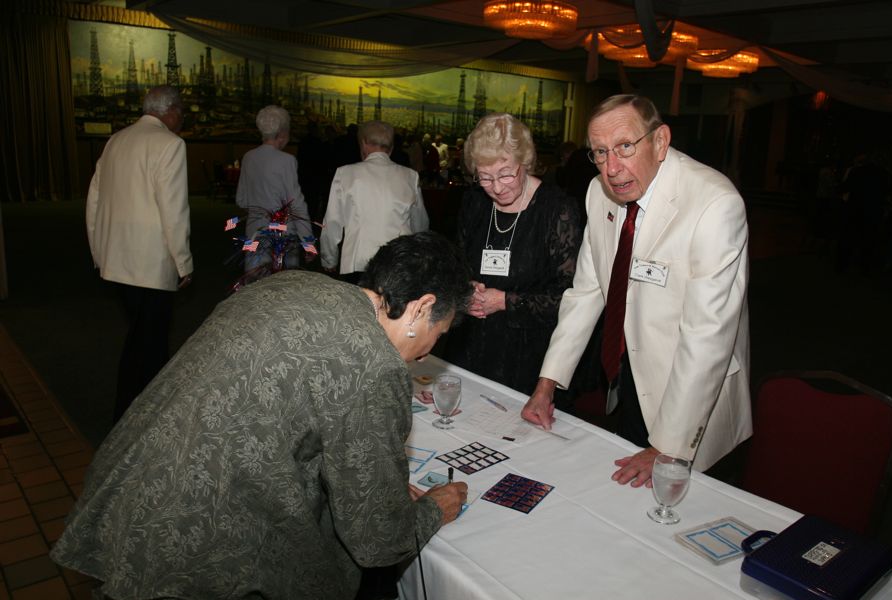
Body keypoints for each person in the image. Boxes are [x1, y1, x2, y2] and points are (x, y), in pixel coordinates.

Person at [51, 232, 471, 600]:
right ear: (421, 308)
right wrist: (434, 509)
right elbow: (377, 539)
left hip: (130, 489)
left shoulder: (290, 283)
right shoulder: (374, 365)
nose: (428, 351)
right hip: (193, 548)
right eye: (441, 331)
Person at [522, 94, 751, 487]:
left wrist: (668, 446)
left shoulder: (715, 205)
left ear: (660, 141)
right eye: (599, 153)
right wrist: (547, 384)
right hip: (629, 375)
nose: (612, 168)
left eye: (625, 147)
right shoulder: (599, 193)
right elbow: (587, 291)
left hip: (694, 400)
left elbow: (706, 337)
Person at [440, 113, 582, 401]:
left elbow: (568, 298)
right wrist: (464, 289)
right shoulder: (475, 202)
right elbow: (456, 264)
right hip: (472, 344)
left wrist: (504, 301)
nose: (497, 186)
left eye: (506, 173)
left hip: (528, 353)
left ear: (525, 163)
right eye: (485, 177)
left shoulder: (557, 210)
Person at [85, 85, 193, 423]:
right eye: (182, 112)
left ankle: (137, 410)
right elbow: (174, 211)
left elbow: (93, 202)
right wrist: (183, 261)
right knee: (149, 342)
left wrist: (98, 251)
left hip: (116, 259)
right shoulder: (171, 144)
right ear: (172, 110)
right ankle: (138, 414)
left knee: (139, 334)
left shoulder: (116, 140)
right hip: (150, 263)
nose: (182, 118)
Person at [321, 120, 429, 283]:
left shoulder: (346, 174)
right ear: (391, 147)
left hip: (359, 260)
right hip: (398, 260)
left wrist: (329, 259)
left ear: (363, 143)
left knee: (360, 307)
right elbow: (420, 223)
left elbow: (332, 222)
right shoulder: (410, 176)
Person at [237, 105, 313, 273]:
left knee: (255, 285)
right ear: (282, 135)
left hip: (254, 234)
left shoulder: (249, 157)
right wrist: (308, 243)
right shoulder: (287, 160)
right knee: (281, 289)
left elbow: (241, 199)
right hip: (283, 238)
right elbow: (296, 203)